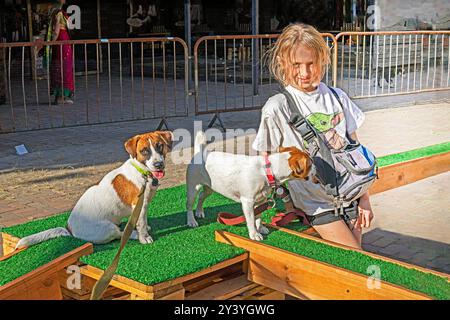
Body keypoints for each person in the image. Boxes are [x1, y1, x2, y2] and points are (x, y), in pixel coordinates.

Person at [253, 23, 374, 249]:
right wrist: (286, 200)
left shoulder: (338, 97)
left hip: (350, 196)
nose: (305, 73)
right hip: (317, 204)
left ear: (322, 60)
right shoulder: (277, 107)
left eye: (311, 64)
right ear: (282, 63)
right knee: (355, 259)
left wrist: (365, 199)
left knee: (355, 263)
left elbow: (356, 151)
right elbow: (265, 163)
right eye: (296, 65)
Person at [46, 0, 74, 104]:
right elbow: (57, 31)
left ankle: (60, 96)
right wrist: (52, 42)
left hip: (61, 42)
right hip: (63, 42)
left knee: (60, 67)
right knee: (64, 68)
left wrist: (51, 43)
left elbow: (56, 31)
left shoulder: (57, 13)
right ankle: (61, 97)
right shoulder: (60, 13)